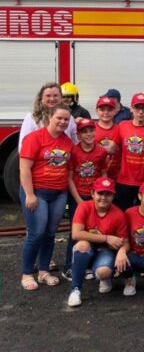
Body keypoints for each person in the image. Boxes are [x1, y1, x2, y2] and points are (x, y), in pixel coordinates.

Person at [19, 103, 73, 290]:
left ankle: (43, 272)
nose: (63, 122)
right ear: (50, 117)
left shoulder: (67, 141)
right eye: (59, 118)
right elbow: (24, 168)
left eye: (66, 119)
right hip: (37, 192)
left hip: (58, 193)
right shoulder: (34, 138)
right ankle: (27, 274)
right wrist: (29, 194)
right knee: (36, 233)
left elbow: (68, 170)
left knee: (50, 233)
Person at [66, 177, 128, 307]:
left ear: (113, 196)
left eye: (108, 194)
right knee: (82, 245)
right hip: (88, 246)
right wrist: (106, 238)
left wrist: (122, 251)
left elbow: (125, 241)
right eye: (100, 193)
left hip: (105, 250)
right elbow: (76, 234)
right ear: (93, 193)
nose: (103, 198)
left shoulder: (118, 214)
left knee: (103, 272)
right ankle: (75, 290)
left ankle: (105, 278)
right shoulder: (84, 206)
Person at [64, 119, 108, 280]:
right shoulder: (74, 152)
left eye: (91, 130)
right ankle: (69, 266)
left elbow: (103, 173)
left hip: (95, 197)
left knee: (93, 230)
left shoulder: (101, 151)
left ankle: (88, 265)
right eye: (84, 131)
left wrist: (103, 194)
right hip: (78, 196)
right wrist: (78, 200)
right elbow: (69, 178)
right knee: (75, 232)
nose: (88, 134)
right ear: (78, 134)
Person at [112, 93, 144, 211]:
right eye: (137, 108)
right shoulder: (122, 126)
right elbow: (112, 148)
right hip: (124, 180)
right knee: (123, 213)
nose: (140, 112)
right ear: (131, 109)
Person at [19, 81, 77, 148]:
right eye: (48, 96)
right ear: (41, 99)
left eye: (55, 95)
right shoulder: (32, 117)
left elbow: (75, 143)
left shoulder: (69, 117)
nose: (52, 99)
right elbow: (23, 145)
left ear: (61, 98)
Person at [94, 96, 120, 180]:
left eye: (109, 110)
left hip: (118, 176)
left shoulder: (120, 129)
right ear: (96, 111)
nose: (106, 112)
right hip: (97, 176)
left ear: (115, 111)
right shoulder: (91, 130)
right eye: (102, 110)